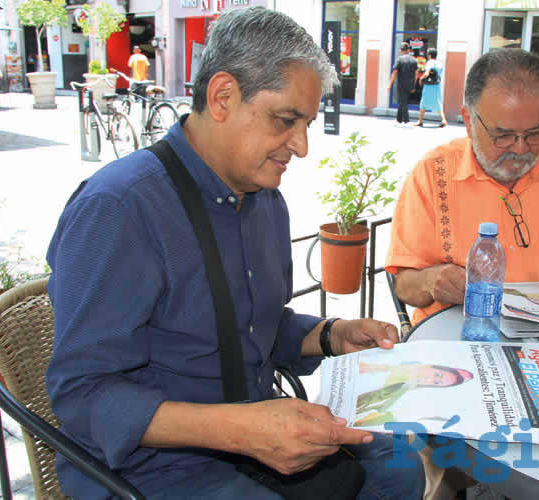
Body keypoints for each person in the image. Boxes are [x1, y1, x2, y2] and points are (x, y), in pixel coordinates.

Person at [45, 8, 424, 499]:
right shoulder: (119, 208)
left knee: (402, 467)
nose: (302, 146)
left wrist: (332, 334)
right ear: (222, 96)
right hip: (149, 470)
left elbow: (249, 328)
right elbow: (80, 394)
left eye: (306, 123)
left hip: (252, 439)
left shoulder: (264, 200)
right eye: (286, 120)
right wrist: (242, 431)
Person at [385, 48, 539, 326]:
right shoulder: (433, 173)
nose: (519, 149)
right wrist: (431, 281)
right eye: (502, 136)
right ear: (468, 121)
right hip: (458, 335)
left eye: (534, 133)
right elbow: (404, 285)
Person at [387, 42, 418, 127]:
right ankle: (398, 120)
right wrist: (414, 85)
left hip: (402, 84)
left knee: (403, 102)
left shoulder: (399, 59)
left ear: (401, 50)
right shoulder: (414, 60)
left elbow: (395, 72)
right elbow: (416, 74)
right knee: (403, 101)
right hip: (410, 84)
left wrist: (390, 84)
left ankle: (406, 121)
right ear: (408, 50)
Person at [416, 48, 448, 128]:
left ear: (429, 55)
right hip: (436, 86)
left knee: (423, 102)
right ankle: (444, 120)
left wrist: (421, 78)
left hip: (428, 86)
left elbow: (427, 73)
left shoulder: (429, 62)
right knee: (438, 102)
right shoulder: (440, 63)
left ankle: (420, 121)